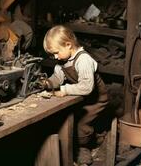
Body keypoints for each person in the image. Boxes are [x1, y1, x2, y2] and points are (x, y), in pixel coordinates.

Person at [41, 25, 108, 163]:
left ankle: (84, 147)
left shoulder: (83, 60)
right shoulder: (62, 62)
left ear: (68, 45)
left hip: (96, 99)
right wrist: (47, 83)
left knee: (80, 125)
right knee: (67, 119)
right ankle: (86, 139)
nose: (54, 57)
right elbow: (57, 77)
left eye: (56, 52)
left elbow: (86, 87)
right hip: (82, 98)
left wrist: (64, 90)